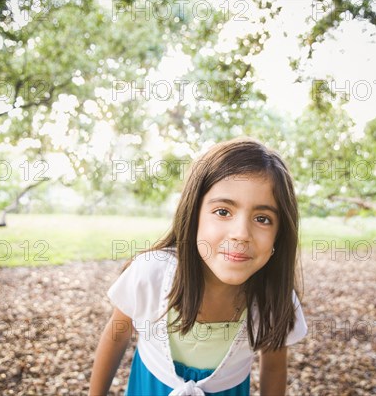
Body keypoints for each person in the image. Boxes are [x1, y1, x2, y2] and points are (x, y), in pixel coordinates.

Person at [89, 138, 307, 395]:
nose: (241, 234)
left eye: (262, 218)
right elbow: (117, 336)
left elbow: (273, 369)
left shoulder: (273, 299)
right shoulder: (152, 274)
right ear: (193, 215)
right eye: (223, 212)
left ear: (279, 235)